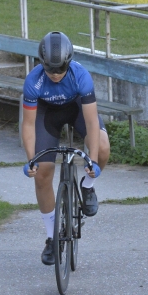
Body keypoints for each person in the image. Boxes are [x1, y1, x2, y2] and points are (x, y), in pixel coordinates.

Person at [21, 31, 110, 266]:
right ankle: (52, 238)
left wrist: (92, 161)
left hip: (77, 109)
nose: (56, 74)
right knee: (42, 173)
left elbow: (91, 122)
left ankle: (87, 187)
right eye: (50, 69)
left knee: (102, 147)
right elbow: (28, 125)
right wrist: (31, 160)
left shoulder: (81, 76)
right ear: (42, 64)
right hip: (47, 115)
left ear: (69, 63)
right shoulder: (33, 81)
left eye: (61, 69)